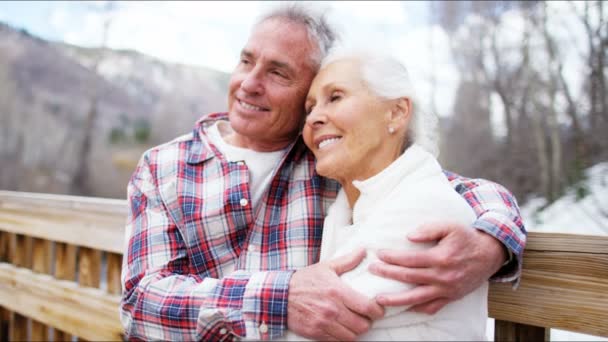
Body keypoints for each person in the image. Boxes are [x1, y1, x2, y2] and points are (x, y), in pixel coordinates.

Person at [120, 3, 526, 341]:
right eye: (246, 61)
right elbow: (140, 301)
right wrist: (279, 298)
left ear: (306, 96)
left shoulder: (329, 158)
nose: (249, 83)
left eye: (278, 73)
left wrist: (492, 240)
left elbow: (448, 188)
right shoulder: (165, 167)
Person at [285, 47, 488, 341]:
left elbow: (312, 328)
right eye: (309, 108)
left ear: (396, 112)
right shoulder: (345, 212)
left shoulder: (425, 208)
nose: (314, 118)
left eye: (335, 97)